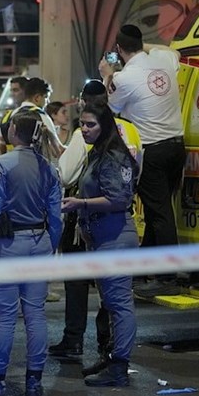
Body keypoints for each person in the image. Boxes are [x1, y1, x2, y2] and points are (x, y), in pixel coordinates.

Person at [0, 110, 63, 396]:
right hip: (39, 242)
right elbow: (56, 217)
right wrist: (51, 246)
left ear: (13, 133)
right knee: (35, 314)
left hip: (9, 245)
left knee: (6, 316)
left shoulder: (1, 165)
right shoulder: (49, 168)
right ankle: (34, 381)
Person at [50, 80, 142, 374]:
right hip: (101, 237)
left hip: (115, 235)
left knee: (119, 304)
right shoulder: (100, 151)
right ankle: (112, 358)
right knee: (112, 303)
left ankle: (119, 365)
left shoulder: (113, 155)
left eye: (90, 125)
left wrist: (81, 203)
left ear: (104, 125)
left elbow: (118, 198)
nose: (85, 130)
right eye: (82, 124)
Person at [100, 24, 185, 298]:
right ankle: (142, 271)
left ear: (118, 49)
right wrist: (140, 46)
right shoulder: (164, 59)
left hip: (152, 151)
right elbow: (172, 52)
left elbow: (108, 110)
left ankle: (168, 276)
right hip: (177, 148)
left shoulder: (124, 78)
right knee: (157, 210)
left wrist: (106, 75)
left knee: (160, 213)